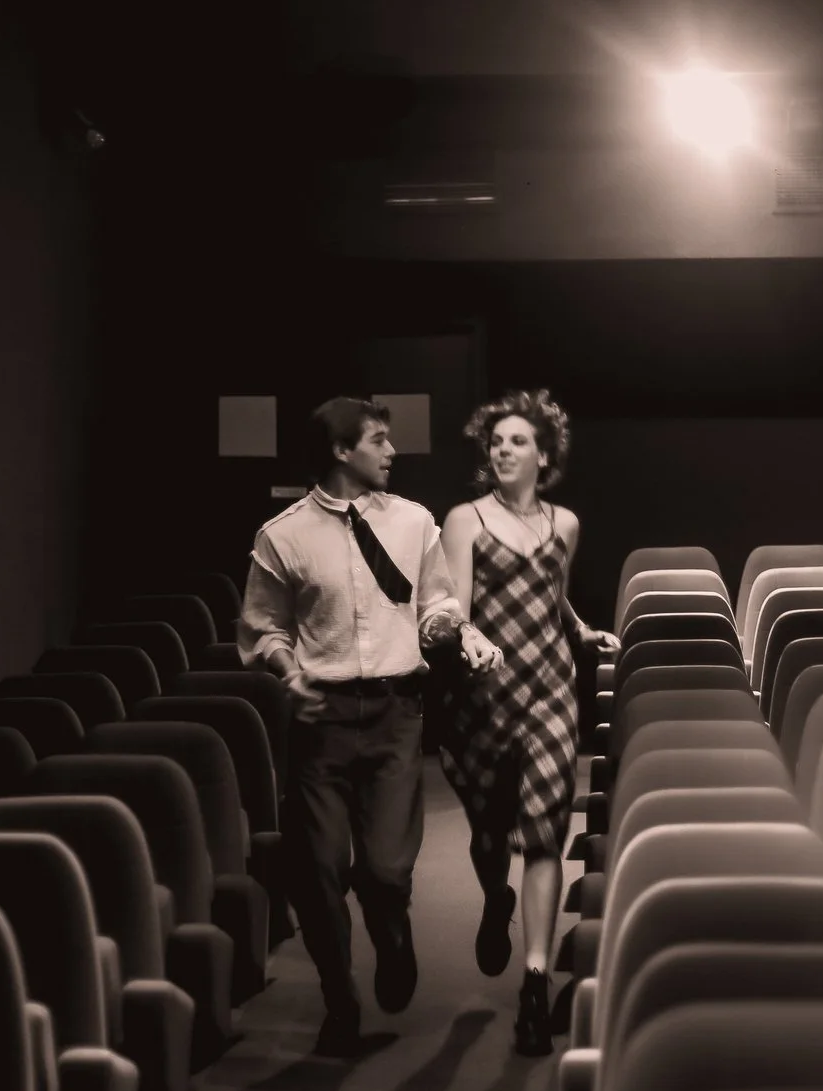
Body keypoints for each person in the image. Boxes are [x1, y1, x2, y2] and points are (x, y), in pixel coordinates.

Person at [240, 396, 498, 1057]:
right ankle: (339, 1002)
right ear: (341, 451)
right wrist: (284, 665)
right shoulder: (283, 536)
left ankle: (392, 930)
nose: (391, 452)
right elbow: (263, 625)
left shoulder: (414, 522)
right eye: (378, 441)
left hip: (394, 713)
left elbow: (435, 601)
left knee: (384, 869)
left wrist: (457, 631)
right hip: (321, 718)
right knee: (320, 870)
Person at [436, 389, 617, 1056]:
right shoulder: (464, 518)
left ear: (544, 454)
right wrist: (471, 640)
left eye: (517, 441)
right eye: (497, 441)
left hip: (550, 689)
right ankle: (494, 900)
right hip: (484, 692)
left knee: (544, 831)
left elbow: (554, 592)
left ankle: (534, 981)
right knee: (491, 834)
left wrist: (581, 627)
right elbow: (456, 605)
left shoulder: (564, 523)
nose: (504, 450)